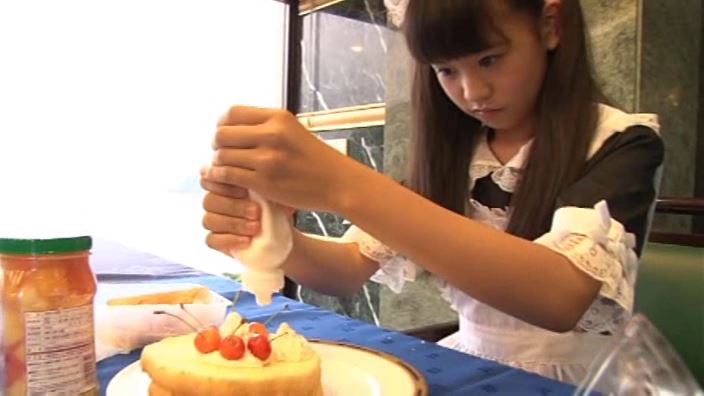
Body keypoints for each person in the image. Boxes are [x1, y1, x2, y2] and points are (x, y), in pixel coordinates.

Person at [200, 0, 664, 384]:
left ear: (549, 25)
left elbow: (561, 296)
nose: (472, 90)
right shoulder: (454, 153)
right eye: (446, 70)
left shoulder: (620, 141)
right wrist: (274, 237)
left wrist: (345, 185)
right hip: (471, 365)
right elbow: (345, 272)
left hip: (584, 381)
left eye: (490, 59)